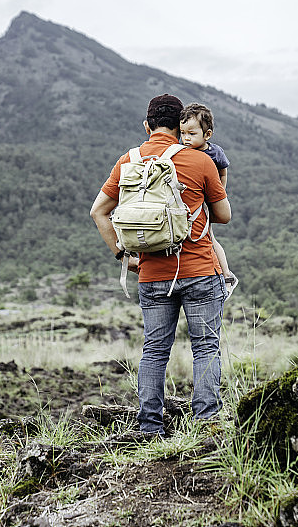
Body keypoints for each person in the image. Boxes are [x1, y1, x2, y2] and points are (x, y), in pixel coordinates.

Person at [90, 94, 231, 436]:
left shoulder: (128, 161)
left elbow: (98, 212)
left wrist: (123, 255)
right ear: (180, 125)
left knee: (154, 351)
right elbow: (224, 215)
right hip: (200, 270)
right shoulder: (200, 160)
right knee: (206, 347)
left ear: (147, 125)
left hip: (151, 274)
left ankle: (150, 426)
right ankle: (206, 425)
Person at [179, 103, 238, 296]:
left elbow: (223, 172)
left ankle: (226, 274)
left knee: (210, 238)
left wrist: (219, 194)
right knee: (206, 237)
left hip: (207, 202)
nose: (186, 138)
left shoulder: (214, 152)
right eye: (183, 133)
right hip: (192, 203)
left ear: (207, 134)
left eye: (192, 133)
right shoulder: (182, 150)